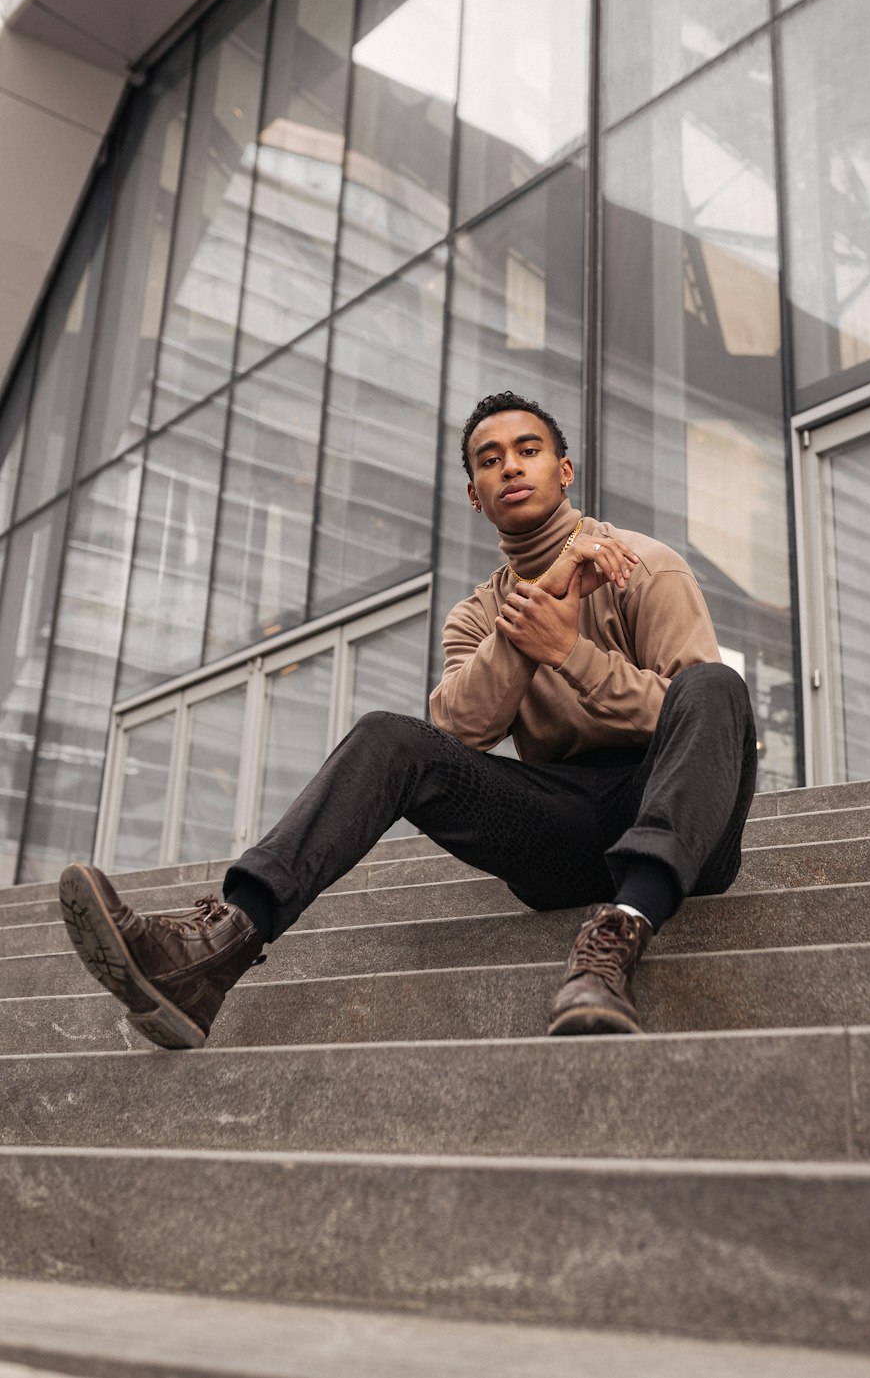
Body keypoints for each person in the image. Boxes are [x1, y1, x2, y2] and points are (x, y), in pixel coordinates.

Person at [59, 390, 758, 1049]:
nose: (510, 465)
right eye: (490, 460)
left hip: (684, 825)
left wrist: (569, 653)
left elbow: (700, 724)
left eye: (528, 449)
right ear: (474, 496)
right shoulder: (475, 618)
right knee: (387, 735)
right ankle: (217, 949)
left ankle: (619, 933)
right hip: (564, 826)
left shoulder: (644, 566)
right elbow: (459, 734)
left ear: (565, 469)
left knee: (717, 682)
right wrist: (530, 621)